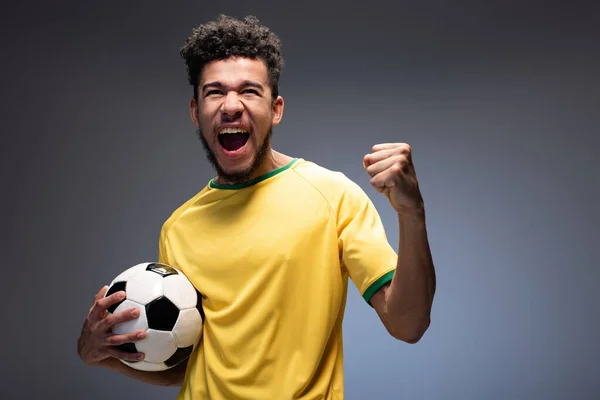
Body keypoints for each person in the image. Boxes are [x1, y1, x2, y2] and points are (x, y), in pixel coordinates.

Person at [77, 14, 436, 400]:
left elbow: (408, 324)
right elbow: (191, 363)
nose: (231, 105)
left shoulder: (332, 196)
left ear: (275, 109)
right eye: (215, 92)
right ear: (197, 112)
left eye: (249, 91)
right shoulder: (178, 227)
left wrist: (411, 214)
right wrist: (98, 353)